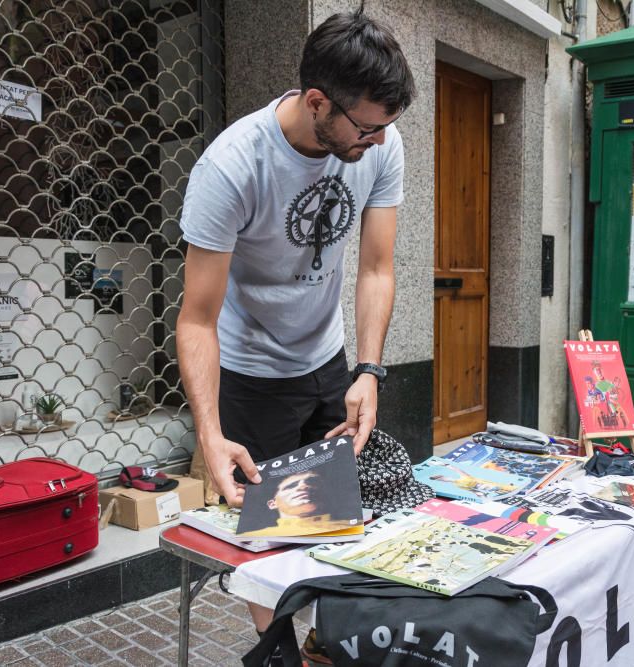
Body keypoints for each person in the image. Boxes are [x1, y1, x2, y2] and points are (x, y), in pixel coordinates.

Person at [176, 8, 414, 645]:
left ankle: (327, 647)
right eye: (366, 128)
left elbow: (376, 266)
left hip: (329, 360)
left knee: (333, 523)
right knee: (273, 549)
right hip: (253, 373)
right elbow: (197, 318)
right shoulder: (232, 166)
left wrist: (368, 369)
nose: (380, 142)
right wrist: (211, 432)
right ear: (316, 102)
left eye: (387, 127)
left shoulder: (379, 142)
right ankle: (284, 655)